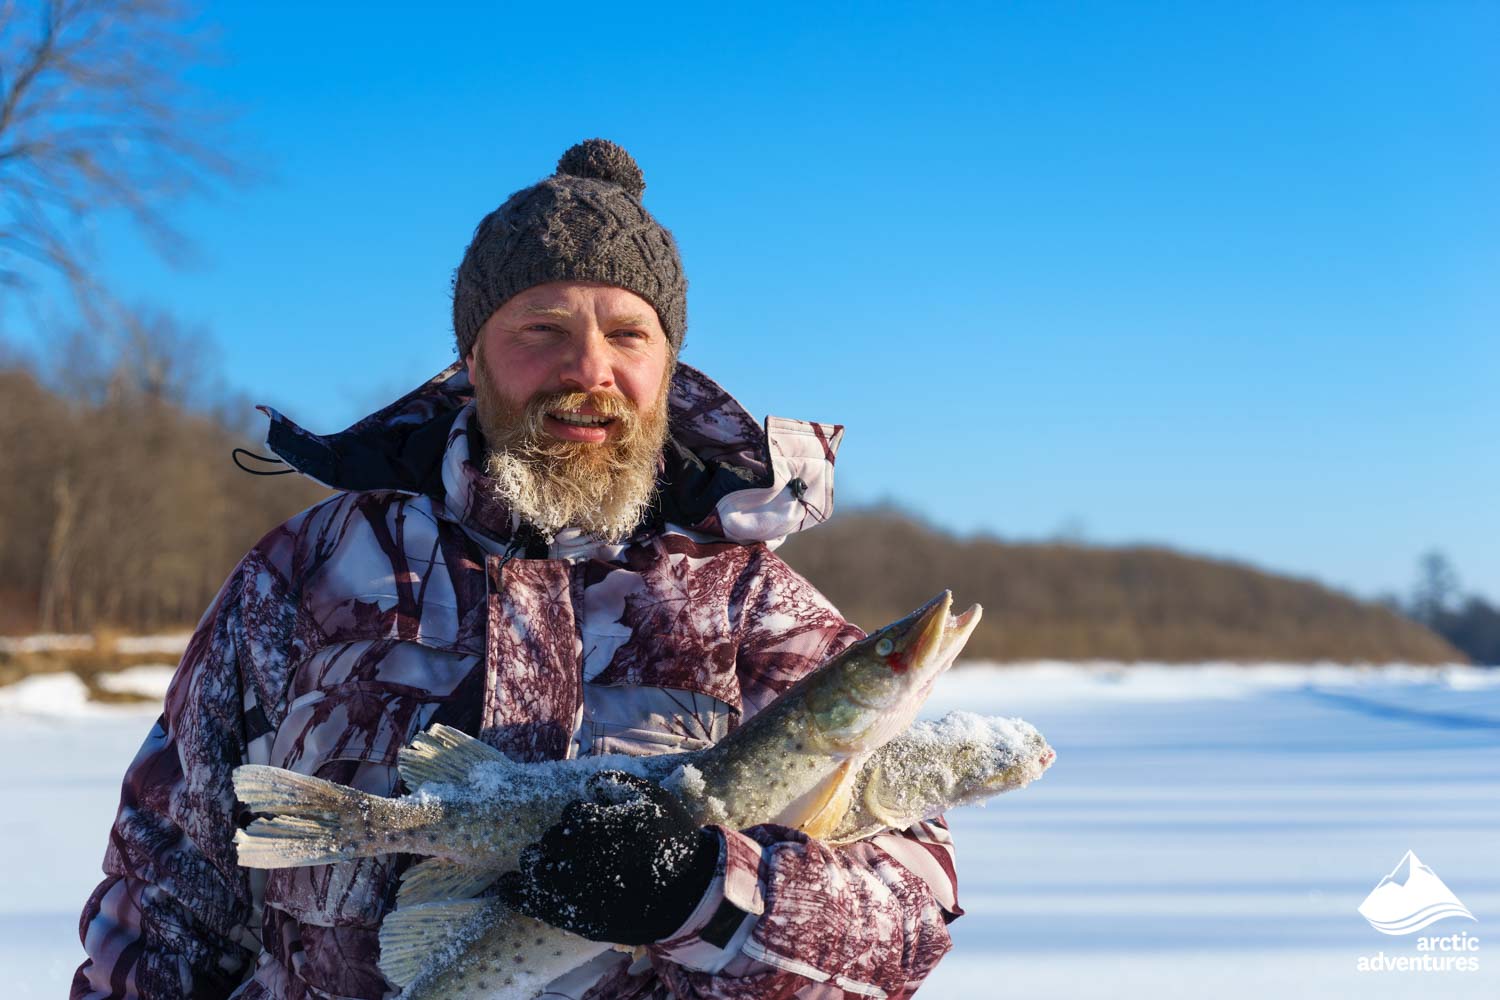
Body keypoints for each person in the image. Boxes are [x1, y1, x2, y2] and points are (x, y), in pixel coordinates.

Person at [73, 139, 962, 1000]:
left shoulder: (758, 608)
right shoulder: (305, 573)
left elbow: (910, 918)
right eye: (542, 330)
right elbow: (168, 883)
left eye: (628, 334)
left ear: (667, 365)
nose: (589, 369)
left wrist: (707, 894)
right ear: (472, 358)